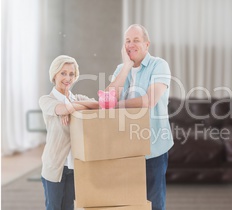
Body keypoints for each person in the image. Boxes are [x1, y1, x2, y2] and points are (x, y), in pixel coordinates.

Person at [106, 24, 173, 210]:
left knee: (153, 201)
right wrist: (126, 67)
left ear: (146, 44)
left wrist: (117, 106)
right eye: (127, 41)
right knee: (126, 201)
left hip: (152, 146)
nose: (131, 44)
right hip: (124, 147)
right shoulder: (122, 68)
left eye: (136, 40)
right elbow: (107, 99)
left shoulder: (159, 65)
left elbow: (149, 100)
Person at [39, 55, 99, 210]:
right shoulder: (46, 100)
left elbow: (98, 105)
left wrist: (72, 105)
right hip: (55, 166)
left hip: (74, 166)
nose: (67, 78)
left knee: (68, 207)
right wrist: (67, 108)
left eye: (71, 74)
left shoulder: (77, 98)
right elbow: (62, 109)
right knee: (54, 207)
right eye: (63, 73)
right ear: (54, 75)